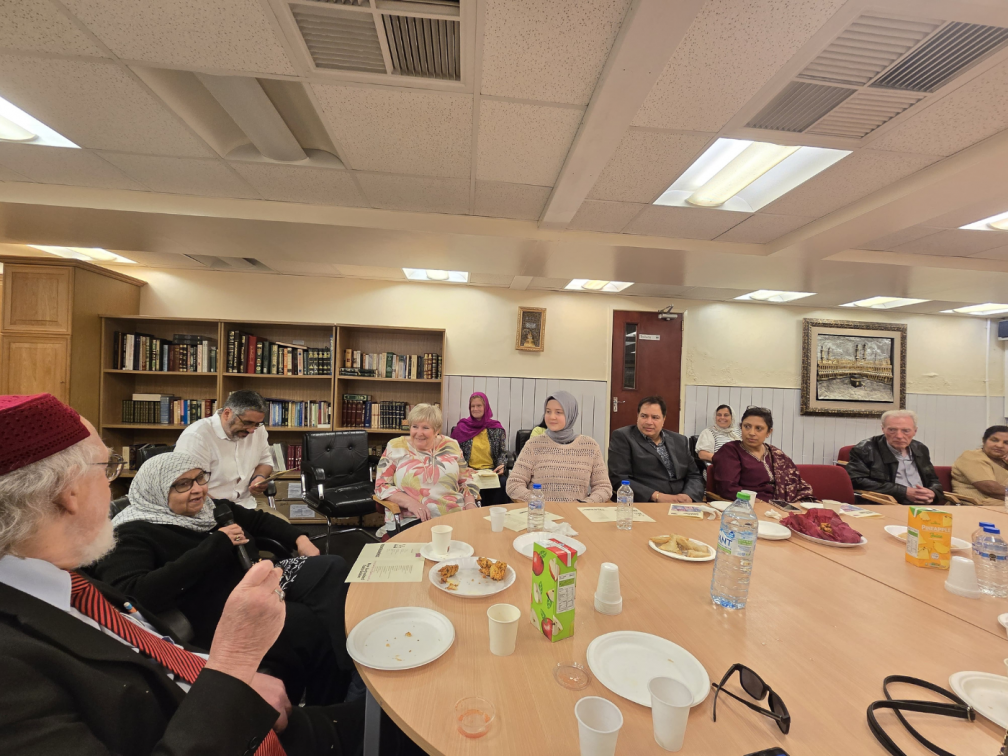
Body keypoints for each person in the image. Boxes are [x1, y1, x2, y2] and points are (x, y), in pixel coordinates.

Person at [0, 393, 365, 755]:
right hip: (226, 728)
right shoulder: (15, 666)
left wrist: (219, 675)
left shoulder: (70, 586)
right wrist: (233, 669)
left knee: (380, 713)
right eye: (106, 466)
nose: (112, 486)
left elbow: (157, 652)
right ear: (70, 492)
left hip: (235, 709)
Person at [94, 452, 353, 706]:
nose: (198, 490)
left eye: (200, 479)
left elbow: (260, 521)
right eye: (183, 484)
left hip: (253, 577)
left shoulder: (210, 509)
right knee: (307, 625)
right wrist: (215, 545)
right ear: (157, 490)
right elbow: (131, 594)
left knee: (331, 566)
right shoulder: (131, 532)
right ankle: (331, 702)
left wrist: (300, 539)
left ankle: (345, 664)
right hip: (211, 609)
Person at [375, 403, 479, 522]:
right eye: (415, 426)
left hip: (454, 515)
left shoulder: (452, 445)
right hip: (411, 518)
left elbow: (466, 481)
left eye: (425, 428)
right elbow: (381, 486)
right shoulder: (395, 446)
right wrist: (410, 503)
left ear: (436, 430)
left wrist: (471, 504)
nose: (419, 433)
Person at [174, 389, 273, 509]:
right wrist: (224, 512)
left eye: (257, 424)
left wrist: (259, 477)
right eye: (247, 423)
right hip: (208, 508)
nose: (252, 430)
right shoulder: (196, 436)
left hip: (247, 504)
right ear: (227, 414)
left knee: (283, 526)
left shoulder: (258, 430)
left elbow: (265, 462)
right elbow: (187, 485)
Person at [507, 391, 612, 503]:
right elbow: (514, 484)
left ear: (571, 414)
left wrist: (587, 503)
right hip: (540, 514)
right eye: (548, 411)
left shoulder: (590, 446)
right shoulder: (533, 444)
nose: (552, 417)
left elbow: (603, 487)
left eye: (559, 412)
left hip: (577, 514)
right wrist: (537, 501)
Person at [608, 395, 704, 503]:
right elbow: (619, 478)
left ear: (664, 419)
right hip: (646, 503)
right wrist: (657, 496)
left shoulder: (680, 440)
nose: (649, 422)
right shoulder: (623, 437)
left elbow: (694, 475)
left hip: (682, 504)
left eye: (655, 417)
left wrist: (689, 496)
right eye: (644, 416)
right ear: (637, 416)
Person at [711, 406, 814, 504]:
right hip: (750, 506)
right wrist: (758, 502)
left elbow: (797, 485)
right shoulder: (730, 451)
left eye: (758, 428)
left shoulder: (776, 454)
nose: (751, 433)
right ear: (740, 427)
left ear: (769, 432)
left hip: (782, 506)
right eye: (747, 426)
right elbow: (728, 489)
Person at [845, 409, 944, 505]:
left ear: (915, 431)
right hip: (887, 504)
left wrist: (933, 493)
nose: (899, 436)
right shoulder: (865, 449)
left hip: (922, 506)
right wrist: (903, 492)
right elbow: (855, 480)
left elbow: (933, 480)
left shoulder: (921, 449)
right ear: (883, 429)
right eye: (892, 430)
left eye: (906, 431)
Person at [451, 391, 509, 505]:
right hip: (469, 471)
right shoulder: (461, 428)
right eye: (472, 406)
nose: (475, 409)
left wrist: (502, 465)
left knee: (503, 482)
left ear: (485, 407)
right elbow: (454, 453)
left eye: (479, 406)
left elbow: (502, 453)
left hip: (491, 471)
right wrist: (464, 469)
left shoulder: (496, 429)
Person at [951, 425, 1008, 506]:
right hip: (976, 505)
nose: (999, 445)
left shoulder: (1003, 461)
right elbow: (991, 488)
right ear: (984, 441)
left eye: (1006, 443)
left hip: (1000, 504)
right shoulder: (971, 456)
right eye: (994, 440)